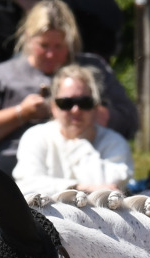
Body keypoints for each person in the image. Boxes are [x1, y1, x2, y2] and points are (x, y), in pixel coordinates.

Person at [0, 0, 136, 187]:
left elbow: (130, 120)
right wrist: (21, 113)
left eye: (59, 46)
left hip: (89, 155)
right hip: (13, 158)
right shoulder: (3, 75)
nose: (51, 54)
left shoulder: (94, 69)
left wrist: (90, 111)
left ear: (71, 42)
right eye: (44, 46)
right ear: (28, 38)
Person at [13, 64, 132, 199]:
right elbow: (26, 185)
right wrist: (78, 188)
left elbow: (110, 192)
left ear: (95, 106)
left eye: (84, 102)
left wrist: (80, 143)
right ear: (53, 107)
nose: (76, 110)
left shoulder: (115, 143)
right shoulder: (35, 137)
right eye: (66, 103)